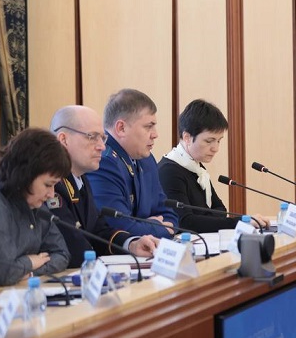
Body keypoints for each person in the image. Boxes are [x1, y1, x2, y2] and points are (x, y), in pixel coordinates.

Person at [50, 105, 159, 267]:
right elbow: (74, 247)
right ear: (64, 139)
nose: (101, 146)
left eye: (102, 138)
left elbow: (99, 230)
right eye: (92, 137)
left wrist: (132, 244)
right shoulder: (51, 186)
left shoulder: (81, 179)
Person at [158, 99, 266, 232]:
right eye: (209, 141)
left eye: (218, 141)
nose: (215, 148)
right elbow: (185, 222)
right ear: (187, 137)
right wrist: (239, 222)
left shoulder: (196, 167)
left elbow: (221, 209)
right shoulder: (169, 171)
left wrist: (204, 220)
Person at [86, 89, 178, 238]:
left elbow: (169, 215)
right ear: (121, 128)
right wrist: (155, 227)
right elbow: (119, 227)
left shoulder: (146, 159)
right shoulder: (103, 162)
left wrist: (145, 226)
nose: (155, 134)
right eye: (148, 126)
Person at [0, 128, 71, 286]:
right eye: (48, 185)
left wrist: (31, 272)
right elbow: (5, 272)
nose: (51, 194)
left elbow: (62, 254)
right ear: (26, 175)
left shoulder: (33, 200)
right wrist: (29, 262)